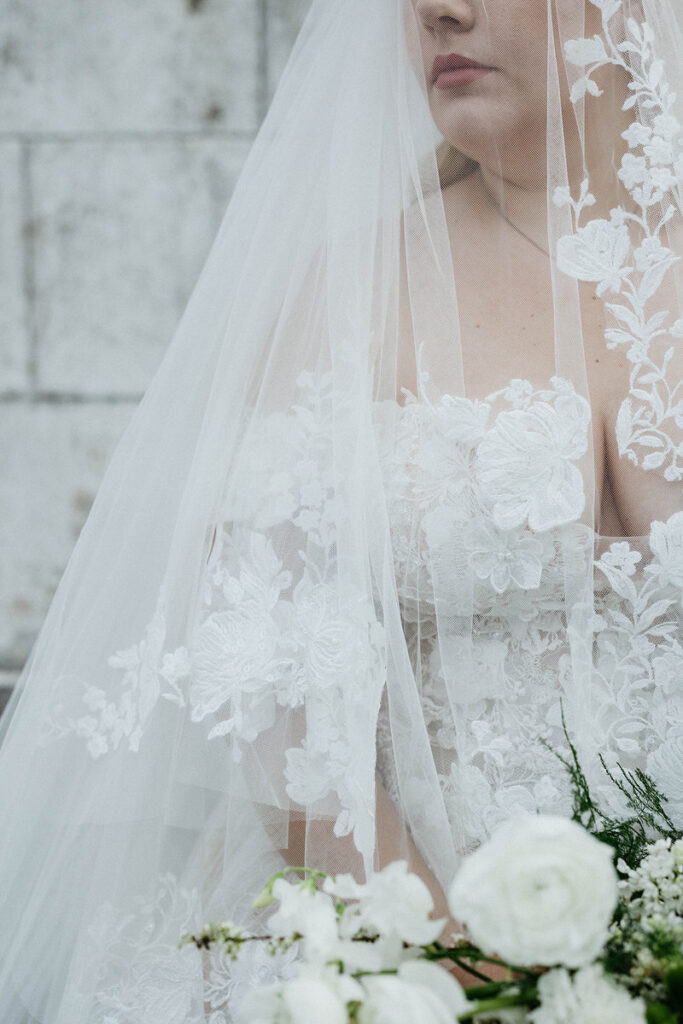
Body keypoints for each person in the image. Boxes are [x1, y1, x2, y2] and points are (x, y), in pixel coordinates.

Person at [0, 0, 681, 1020]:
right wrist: (465, 975)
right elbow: (272, 687)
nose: (434, 12)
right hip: (387, 931)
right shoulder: (351, 288)